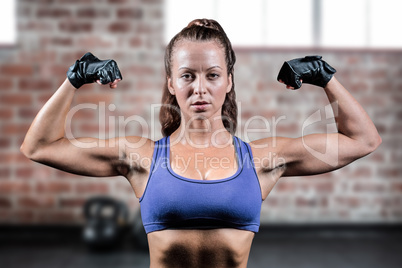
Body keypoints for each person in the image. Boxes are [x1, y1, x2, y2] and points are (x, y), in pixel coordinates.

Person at [20, 19, 381, 268]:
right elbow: (38, 147)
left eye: (212, 75)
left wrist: (326, 78)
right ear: (171, 83)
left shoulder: (261, 159)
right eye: (187, 76)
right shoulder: (142, 157)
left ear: (228, 81)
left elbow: (362, 140)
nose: (200, 89)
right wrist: (74, 79)